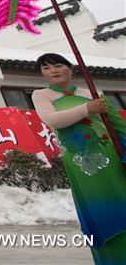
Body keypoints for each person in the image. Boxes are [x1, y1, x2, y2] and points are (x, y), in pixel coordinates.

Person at [32, 53, 126, 263]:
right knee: (100, 211)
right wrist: (86, 109)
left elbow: (119, 127)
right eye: (46, 68)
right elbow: (52, 120)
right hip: (82, 165)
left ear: (70, 69)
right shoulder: (42, 95)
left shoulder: (93, 93)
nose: (53, 70)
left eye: (58, 65)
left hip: (112, 158)